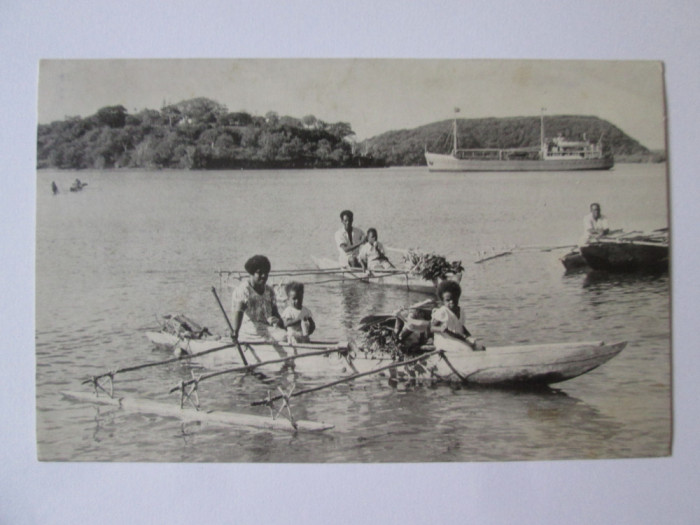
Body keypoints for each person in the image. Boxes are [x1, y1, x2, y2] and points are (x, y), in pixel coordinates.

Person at [230, 255, 286, 343]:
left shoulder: (269, 291)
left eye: (266, 273)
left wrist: (280, 323)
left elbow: (275, 313)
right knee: (284, 336)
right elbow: (238, 312)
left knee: (292, 334)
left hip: (266, 328)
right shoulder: (244, 290)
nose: (264, 276)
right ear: (251, 273)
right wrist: (235, 332)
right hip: (250, 331)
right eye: (260, 273)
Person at [430, 280, 485, 352]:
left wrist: (469, 336)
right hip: (446, 340)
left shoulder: (461, 311)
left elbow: (461, 326)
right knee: (467, 350)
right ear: (443, 301)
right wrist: (440, 328)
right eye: (448, 300)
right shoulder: (443, 311)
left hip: (459, 338)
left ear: (458, 298)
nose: (451, 302)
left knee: (480, 347)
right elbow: (431, 328)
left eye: (453, 299)